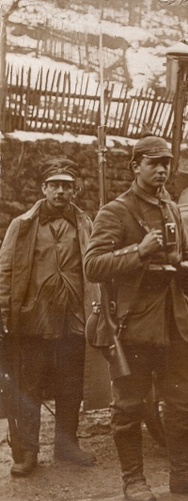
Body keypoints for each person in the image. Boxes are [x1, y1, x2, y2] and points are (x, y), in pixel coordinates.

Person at [85, 136, 188, 501]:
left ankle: (183, 474)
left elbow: (185, 262)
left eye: (166, 163)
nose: (161, 169)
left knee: (184, 400)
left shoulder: (172, 209)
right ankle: (134, 481)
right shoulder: (116, 212)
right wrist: (138, 252)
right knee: (130, 406)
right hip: (134, 324)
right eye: (153, 163)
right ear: (135, 167)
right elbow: (93, 265)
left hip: (175, 323)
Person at [0, 159, 97, 477]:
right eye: (54, 184)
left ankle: (67, 445)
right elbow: (5, 270)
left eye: (66, 185)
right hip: (33, 322)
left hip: (73, 321)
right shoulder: (22, 225)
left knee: (71, 386)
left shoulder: (84, 224)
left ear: (74, 190)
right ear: (43, 189)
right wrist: (2, 309)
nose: (60, 191)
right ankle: (27, 452)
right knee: (28, 387)